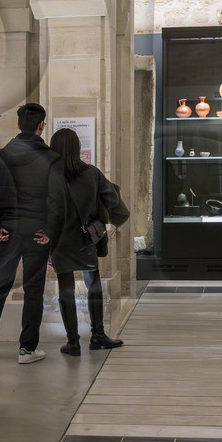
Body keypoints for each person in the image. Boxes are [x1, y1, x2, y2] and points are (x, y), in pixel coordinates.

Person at [0, 102, 65, 364]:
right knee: (33, 289)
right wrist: (50, 231)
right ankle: (26, 349)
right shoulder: (51, 159)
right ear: (41, 126)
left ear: (17, 125)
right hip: (37, 234)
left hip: (8, 233)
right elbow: (58, 200)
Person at [48, 127, 130, 356]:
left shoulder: (48, 177)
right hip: (86, 238)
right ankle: (97, 335)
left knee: (66, 289)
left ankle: (72, 342)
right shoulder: (92, 173)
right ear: (77, 149)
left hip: (59, 240)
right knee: (93, 284)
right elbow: (113, 202)